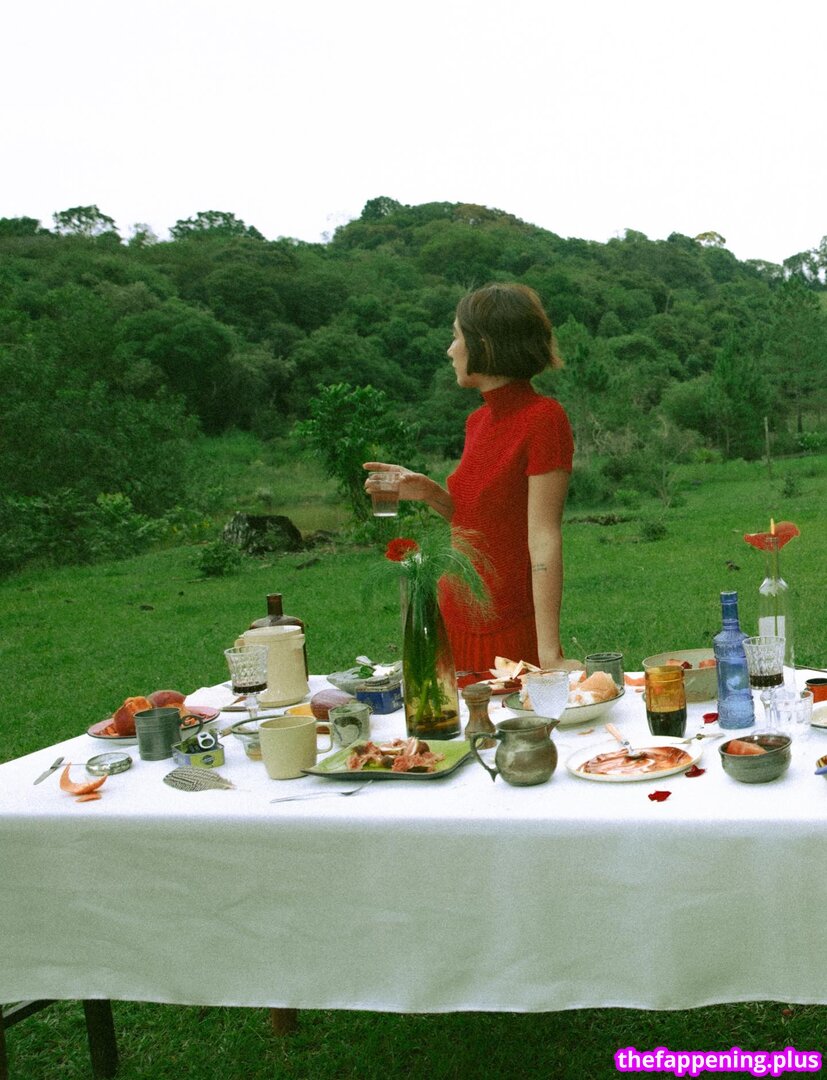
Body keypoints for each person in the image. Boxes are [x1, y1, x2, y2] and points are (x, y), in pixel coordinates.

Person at [365, 282, 575, 673]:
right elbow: (483, 524)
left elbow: (544, 536)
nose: (450, 350)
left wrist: (549, 653)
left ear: (485, 344)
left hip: (508, 623)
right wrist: (431, 493)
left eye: (456, 336)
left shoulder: (544, 419)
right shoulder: (477, 422)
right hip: (454, 616)